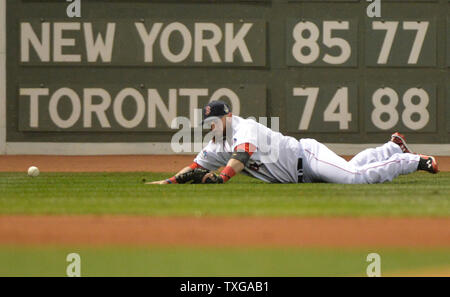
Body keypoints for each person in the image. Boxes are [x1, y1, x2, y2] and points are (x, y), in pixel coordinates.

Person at [147, 101, 439, 185]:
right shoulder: (216, 143)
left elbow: (242, 157)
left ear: (228, 117)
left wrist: (222, 177)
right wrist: (169, 182)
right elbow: (196, 166)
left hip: (307, 156)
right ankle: (391, 148)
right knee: (351, 168)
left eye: (215, 121)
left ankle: (414, 161)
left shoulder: (245, 127)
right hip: (301, 176)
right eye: (207, 124)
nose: (211, 127)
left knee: (354, 178)